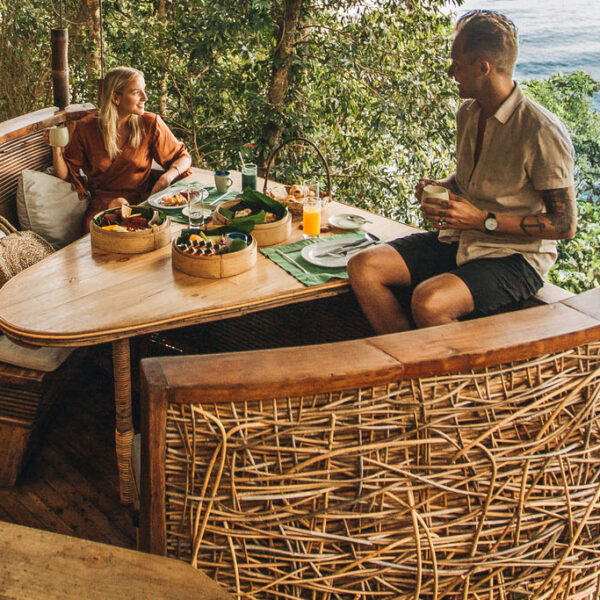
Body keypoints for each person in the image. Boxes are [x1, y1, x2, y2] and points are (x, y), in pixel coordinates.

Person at [348, 10, 576, 334]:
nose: (450, 70)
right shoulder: (469, 112)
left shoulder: (540, 131)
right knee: (364, 267)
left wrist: (482, 220)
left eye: (457, 63)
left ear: (484, 68)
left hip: (516, 259)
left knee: (429, 302)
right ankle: (407, 365)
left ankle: (433, 375)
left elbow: (564, 224)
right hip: (464, 240)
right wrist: (442, 188)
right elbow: (473, 179)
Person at [50, 66, 192, 229]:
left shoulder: (150, 123)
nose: (145, 98)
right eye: (136, 92)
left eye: (144, 91)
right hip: (102, 213)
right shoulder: (86, 128)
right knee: (116, 213)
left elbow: (183, 157)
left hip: (142, 208)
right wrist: (56, 148)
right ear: (116, 98)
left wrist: (166, 177)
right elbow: (66, 174)